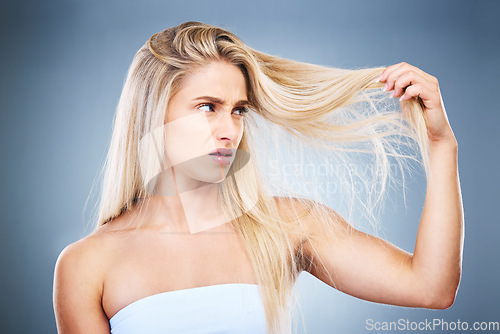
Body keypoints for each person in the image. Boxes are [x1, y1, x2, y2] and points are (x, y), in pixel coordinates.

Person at [53, 21, 464, 334]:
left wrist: (442, 146)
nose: (229, 130)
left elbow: (430, 287)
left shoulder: (285, 226)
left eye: (238, 110)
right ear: (153, 113)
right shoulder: (87, 265)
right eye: (207, 107)